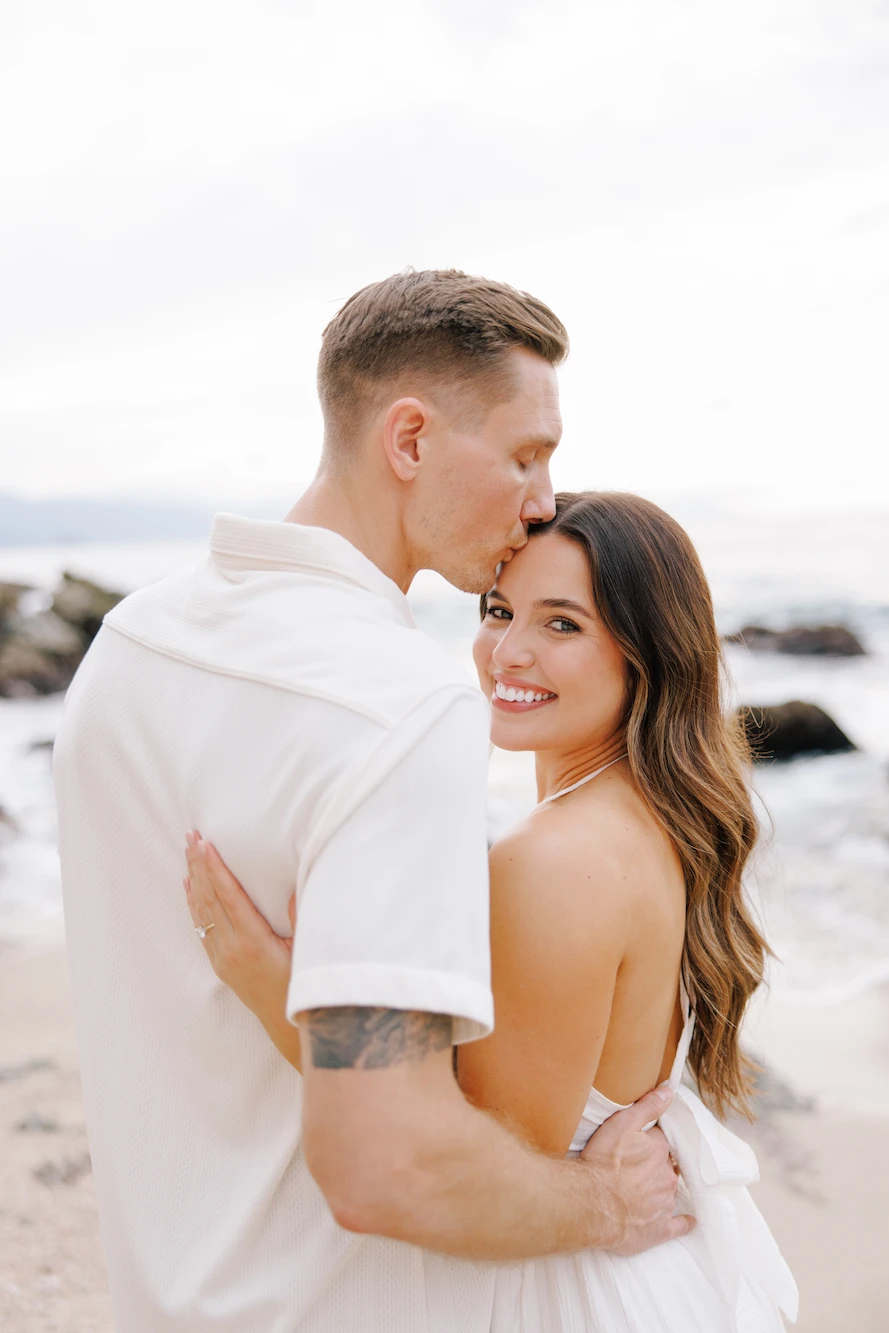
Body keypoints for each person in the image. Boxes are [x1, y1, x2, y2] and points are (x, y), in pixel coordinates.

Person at [53, 271, 686, 1333]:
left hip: (161, 1292)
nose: (541, 497)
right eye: (526, 454)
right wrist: (607, 1199)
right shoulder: (398, 705)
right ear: (409, 440)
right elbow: (389, 1164)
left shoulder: (129, 647)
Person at [184, 491, 799, 1331]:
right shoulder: (660, 818)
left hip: (572, 1295)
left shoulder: (553, 860)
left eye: (561, 625)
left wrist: (274, 990)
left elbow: (474, 1159)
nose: (506, 653)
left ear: (646, 653)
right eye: (499, 610)